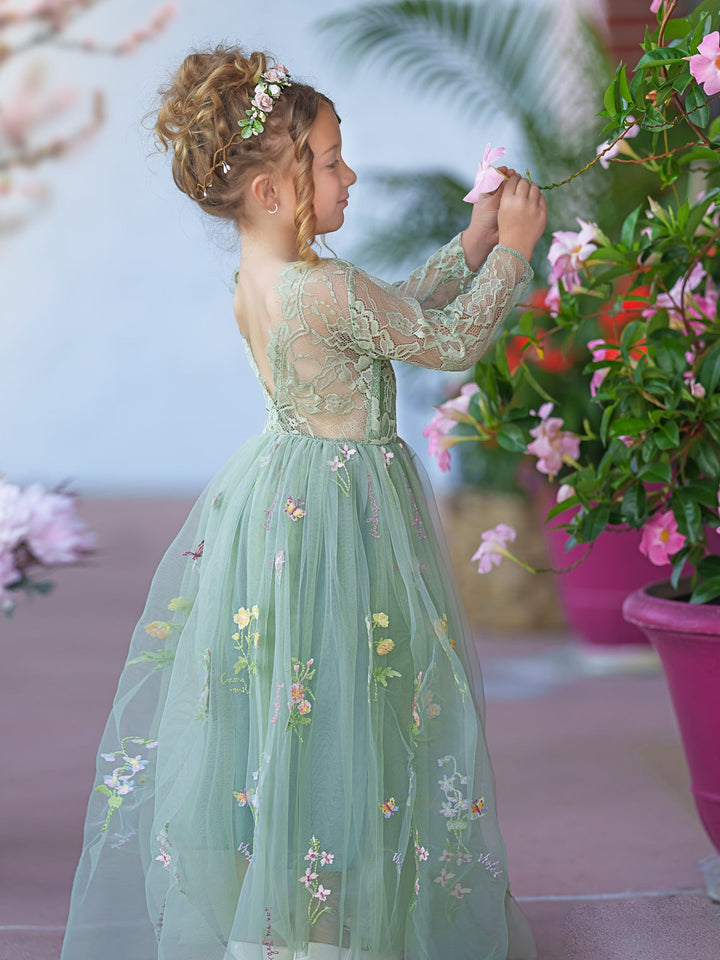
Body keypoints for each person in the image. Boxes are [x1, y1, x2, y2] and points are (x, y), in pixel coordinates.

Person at [60, 44, 546, 960]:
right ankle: (336, 931)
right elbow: (440, 339)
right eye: (328, 160)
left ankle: (294, 917)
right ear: (272, 193)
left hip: (283, 507)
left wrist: (472, 241)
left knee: (299, 702)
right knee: (357, 707)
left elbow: (391, 310)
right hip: (344, 521)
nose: (348, 173)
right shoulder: (326, 289)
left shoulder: (262, 282)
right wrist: (514, 255)